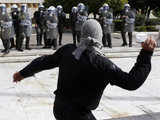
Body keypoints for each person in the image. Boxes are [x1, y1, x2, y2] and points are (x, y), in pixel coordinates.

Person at [13, 19, 156, 120]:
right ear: (99, 37)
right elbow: (131, 82)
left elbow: (43, 62)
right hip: (78, 114)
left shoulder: (67, 51)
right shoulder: (102, 64)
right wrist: (146, 54)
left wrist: (22, 73)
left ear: (82, 34)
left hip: (59, 108)